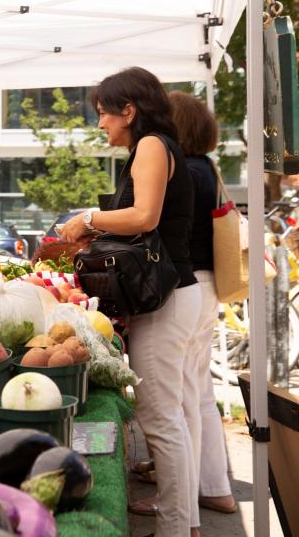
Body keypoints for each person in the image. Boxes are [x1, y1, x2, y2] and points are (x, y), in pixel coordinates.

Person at [60, 67, 201, 537]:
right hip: (175, 296)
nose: (101, 124)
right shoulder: (155, 146)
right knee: (170, 415)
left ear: (129, 110)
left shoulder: (152, 146)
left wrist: (88, 218)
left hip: (168, 299)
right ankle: (182, 519)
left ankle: (177, 527)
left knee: (160, 419)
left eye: (103, 113)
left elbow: (144, 216)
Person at [169, 91, 236, 514]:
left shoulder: (185, 173)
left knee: (181, 395)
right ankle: (214, 485)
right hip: (210, 282)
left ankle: (189, 493)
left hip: (189, 282)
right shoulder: (207, 168)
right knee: (200, 391)